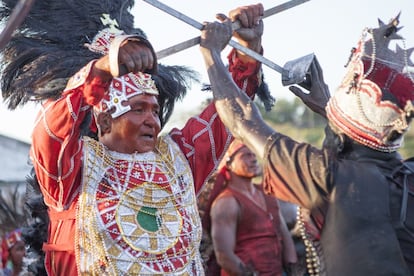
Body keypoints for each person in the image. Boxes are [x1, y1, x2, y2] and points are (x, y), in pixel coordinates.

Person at [0, 2, 270, 275]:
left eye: (154, 109)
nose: (152, 119)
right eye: (137, 109)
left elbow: (227, 114)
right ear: (104, 120)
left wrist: (246, 50)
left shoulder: (178, 160)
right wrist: (101, 70)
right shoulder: (71, 173)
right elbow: (50, 132)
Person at [199, 6, 414, 276]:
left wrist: (211, 52)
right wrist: (328, 106)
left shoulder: (327, 175)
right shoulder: (407, 173)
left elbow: (242, 119)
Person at [209, 139, 297, 275]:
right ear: (229, 164)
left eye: (254, 155)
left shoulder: (267, 194)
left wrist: (293, 270)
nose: (253, 159)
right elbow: (224, 255)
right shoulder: (226, 202)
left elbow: (285, 236)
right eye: (245, 156)